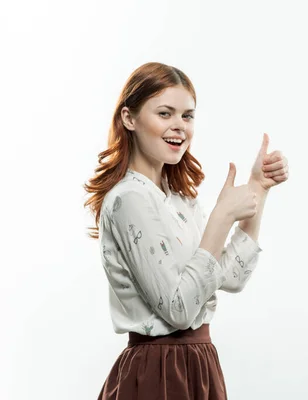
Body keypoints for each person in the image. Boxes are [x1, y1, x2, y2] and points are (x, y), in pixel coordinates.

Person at [84, 61, 289, 400]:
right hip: (158, 369)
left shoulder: (178, 199)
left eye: (187, 116)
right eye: (165, 113)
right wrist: (221, 218)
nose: (179, 126)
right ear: (129, 119)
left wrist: (258, 188)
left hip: (199, 362)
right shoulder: (129, 199)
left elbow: (230, 278)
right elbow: (178, 310)